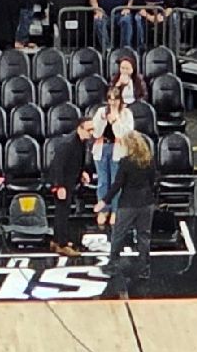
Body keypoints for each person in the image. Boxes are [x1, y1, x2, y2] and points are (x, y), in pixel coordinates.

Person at [104, 130, 157, 283]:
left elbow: (117, 184)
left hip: (128, 204)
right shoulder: (149, 160)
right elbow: (153, 181)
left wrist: (105, 200)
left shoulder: (125, 162)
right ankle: (144, 269)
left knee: (118, 234)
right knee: (143, 236)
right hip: (146, 203)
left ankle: (112, 265)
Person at [45, 114, 95, 254]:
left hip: (70, 180)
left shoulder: (82, 142)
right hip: (62, 181)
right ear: (80, 128)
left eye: (93, 130)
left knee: (63, 211)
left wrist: (82, 173)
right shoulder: (67, 143)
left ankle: (57, 240)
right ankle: (62, 244)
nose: (91, 133)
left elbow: (77, 161)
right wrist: (59, 186)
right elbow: (58, 166)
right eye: (89, 130)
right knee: (62, 212)